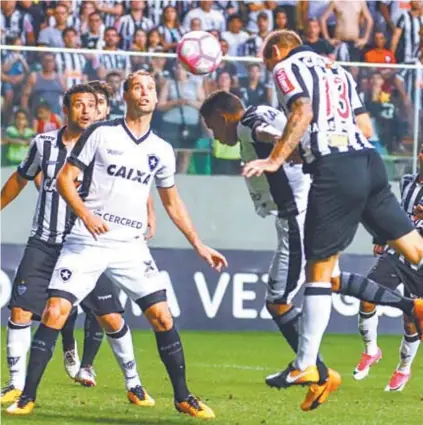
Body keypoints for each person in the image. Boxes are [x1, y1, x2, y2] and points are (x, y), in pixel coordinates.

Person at [7, 70, 227, 419]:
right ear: (125, 96)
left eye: (151, 89)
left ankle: (182, 396)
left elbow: (172, 202)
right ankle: (26, 395)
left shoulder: (162, 150)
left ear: (157, 99)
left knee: (161, 315)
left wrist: (198, 243)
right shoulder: (100, 133)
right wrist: (85, 215)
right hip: (87, 241)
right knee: (54, 311)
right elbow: (65, 179)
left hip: (130, 245)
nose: (145, 93)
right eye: (137, 87)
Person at [243, 29, 423, 410]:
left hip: (335, 167)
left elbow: (302, 111)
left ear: (275, 50)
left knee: (319, 269)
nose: (268, 66)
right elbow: (366, 128)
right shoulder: (336, 69)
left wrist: (276, 158)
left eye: (265, 59)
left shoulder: (287, 66)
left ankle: (306, 365)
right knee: (415, 249)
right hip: (369, 162)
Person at [1, 83, 153, 410]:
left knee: (111, 317)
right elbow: (20, 178)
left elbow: (137, 182)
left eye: (90, 105)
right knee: (20, 310)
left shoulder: (108, 145)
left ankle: (134, 383)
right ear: (66, 110)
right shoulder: (43, 144)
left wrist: (148, 214)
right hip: (44, 242)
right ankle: (15, 383)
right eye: (78, 105)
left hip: (88, 246)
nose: (85, 111)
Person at [353, 150, 423, 390]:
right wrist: (381, 236)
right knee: (367, 295)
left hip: (421, 261)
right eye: (422, 149)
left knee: (411, 319)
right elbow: (395, 214)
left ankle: (403, 369)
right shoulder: (407, 182)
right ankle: (371, 350)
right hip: (397, 254)